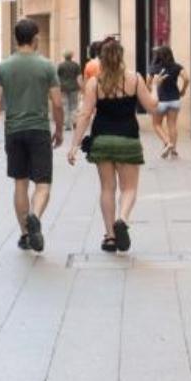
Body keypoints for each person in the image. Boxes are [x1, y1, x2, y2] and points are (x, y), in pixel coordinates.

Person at [69, 39, 158, 253]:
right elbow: (152, 107)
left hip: (102, 141)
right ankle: (123, 219)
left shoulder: (94, 83)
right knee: (129, 188)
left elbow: (85, 114)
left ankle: (109, 237)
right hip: (128, 139)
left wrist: (74, 145)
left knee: (107, 189)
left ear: (101, 58)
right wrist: (155, 87)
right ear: (121, 56)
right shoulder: (134, 79)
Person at [0, 19, 64, 253]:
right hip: (39, 129)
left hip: (14, 131)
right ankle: (35, 215)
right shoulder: (47, 66)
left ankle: (25, 233)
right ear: (35, 38)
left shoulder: (4, 67)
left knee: (20, 183)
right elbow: (58, 103)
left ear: (15, 38)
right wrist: (59, 130)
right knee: (43, 183)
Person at [149, 45, 190, 159]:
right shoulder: (177, 67)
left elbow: (148, 83)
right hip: (175, 100)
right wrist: (183, 90)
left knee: (156, 124)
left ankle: (167, 143)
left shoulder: (155, 68)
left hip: (160, 101)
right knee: (172, 124)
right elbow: (186, 78)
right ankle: (174, 151)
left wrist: (152, 90)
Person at [57, 50, 83, 131]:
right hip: (74, 88)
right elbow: (79, 78)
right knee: (74, 106)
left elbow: (57, 77)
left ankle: (67, 125)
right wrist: (81, 87)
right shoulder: (76, 65)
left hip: (63, 88)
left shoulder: (60, 66)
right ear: (72, 56)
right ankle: (74, 122)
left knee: (65, 105)